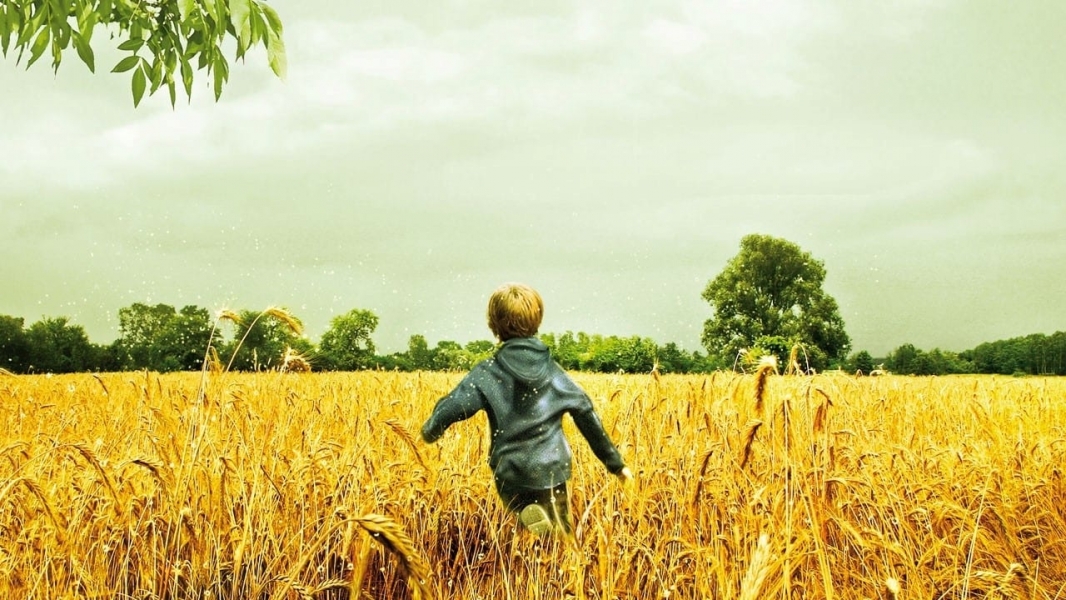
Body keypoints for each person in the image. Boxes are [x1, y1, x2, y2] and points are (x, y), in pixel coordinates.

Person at [421, 283, 633, 536]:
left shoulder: (488, 371)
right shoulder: (553, 373)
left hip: (511, 469)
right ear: (537, 321)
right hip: (552, 467)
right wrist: (616, 465)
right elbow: (585, 413)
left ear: (493, 324)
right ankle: (554, 546)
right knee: (559, 532)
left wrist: (430, 430)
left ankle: (524, 512)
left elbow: (454, 407)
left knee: (524, 516)